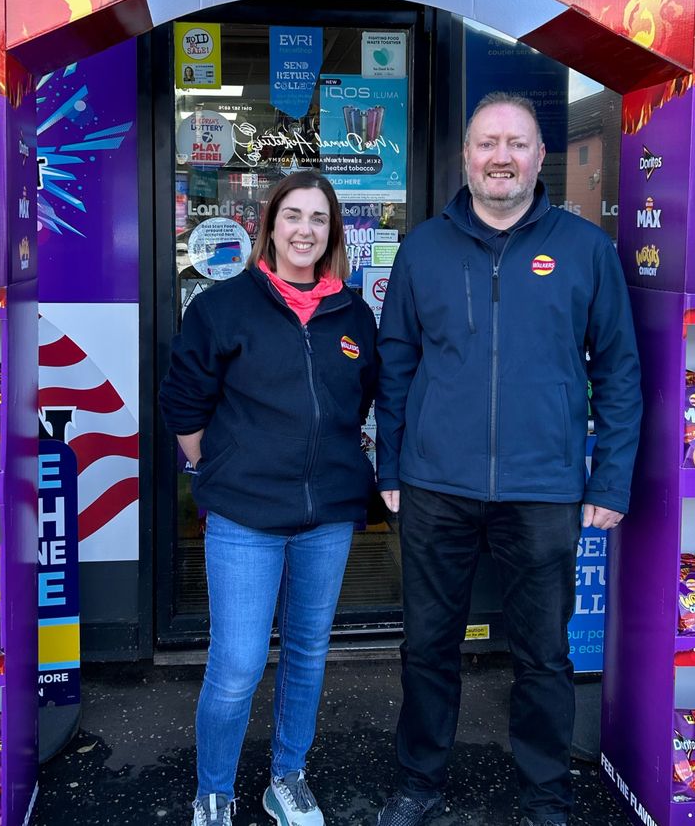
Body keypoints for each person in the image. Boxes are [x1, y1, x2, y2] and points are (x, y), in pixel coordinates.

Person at [374, 93, 641, 826]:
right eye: (488, 143)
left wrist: (609, 476)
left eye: (517, 144)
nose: (502, 157)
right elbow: (395, 362)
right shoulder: (424, 247)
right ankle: (419, 783)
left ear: (537, 157)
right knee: (428, 645)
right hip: (435, 486)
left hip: (544, 487)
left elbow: (618, 370)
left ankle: (546, 795)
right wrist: (391, 469)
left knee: (543, 655)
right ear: (466, 156)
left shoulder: (585, 250)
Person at [160, 171, 378, 826]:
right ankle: (214, 792)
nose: (305, 230)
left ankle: (287, 777)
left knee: (308, 653)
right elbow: (183, 404)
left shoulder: (354, 315)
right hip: (245, 518)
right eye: (293, 216)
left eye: (318, 218)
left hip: (327, 517)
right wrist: (219, 469)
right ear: (270, 226)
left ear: (331, 232)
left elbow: (358, 401)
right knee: (237, 664)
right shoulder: (224, 308)